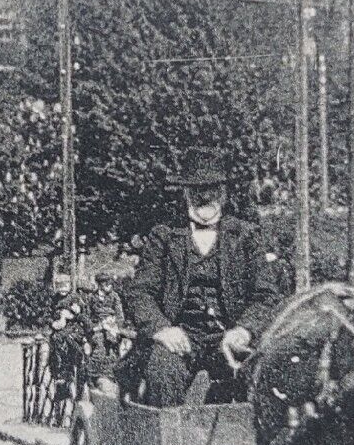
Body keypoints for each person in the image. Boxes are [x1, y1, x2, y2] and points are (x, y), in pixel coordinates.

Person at [123, 148, 288, 407]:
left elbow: (266, 295)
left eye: (212, 189)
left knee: (265, 376)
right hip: (179, 338)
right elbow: (140, 292)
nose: (205, 197)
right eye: (197, 191)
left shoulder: (246, 236)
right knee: (163, 369)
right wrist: (162, 329)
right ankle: (173, 442)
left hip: (229, 337)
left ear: (223, 194)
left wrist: (244, 331)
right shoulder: (164, 236)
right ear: (186, 193)